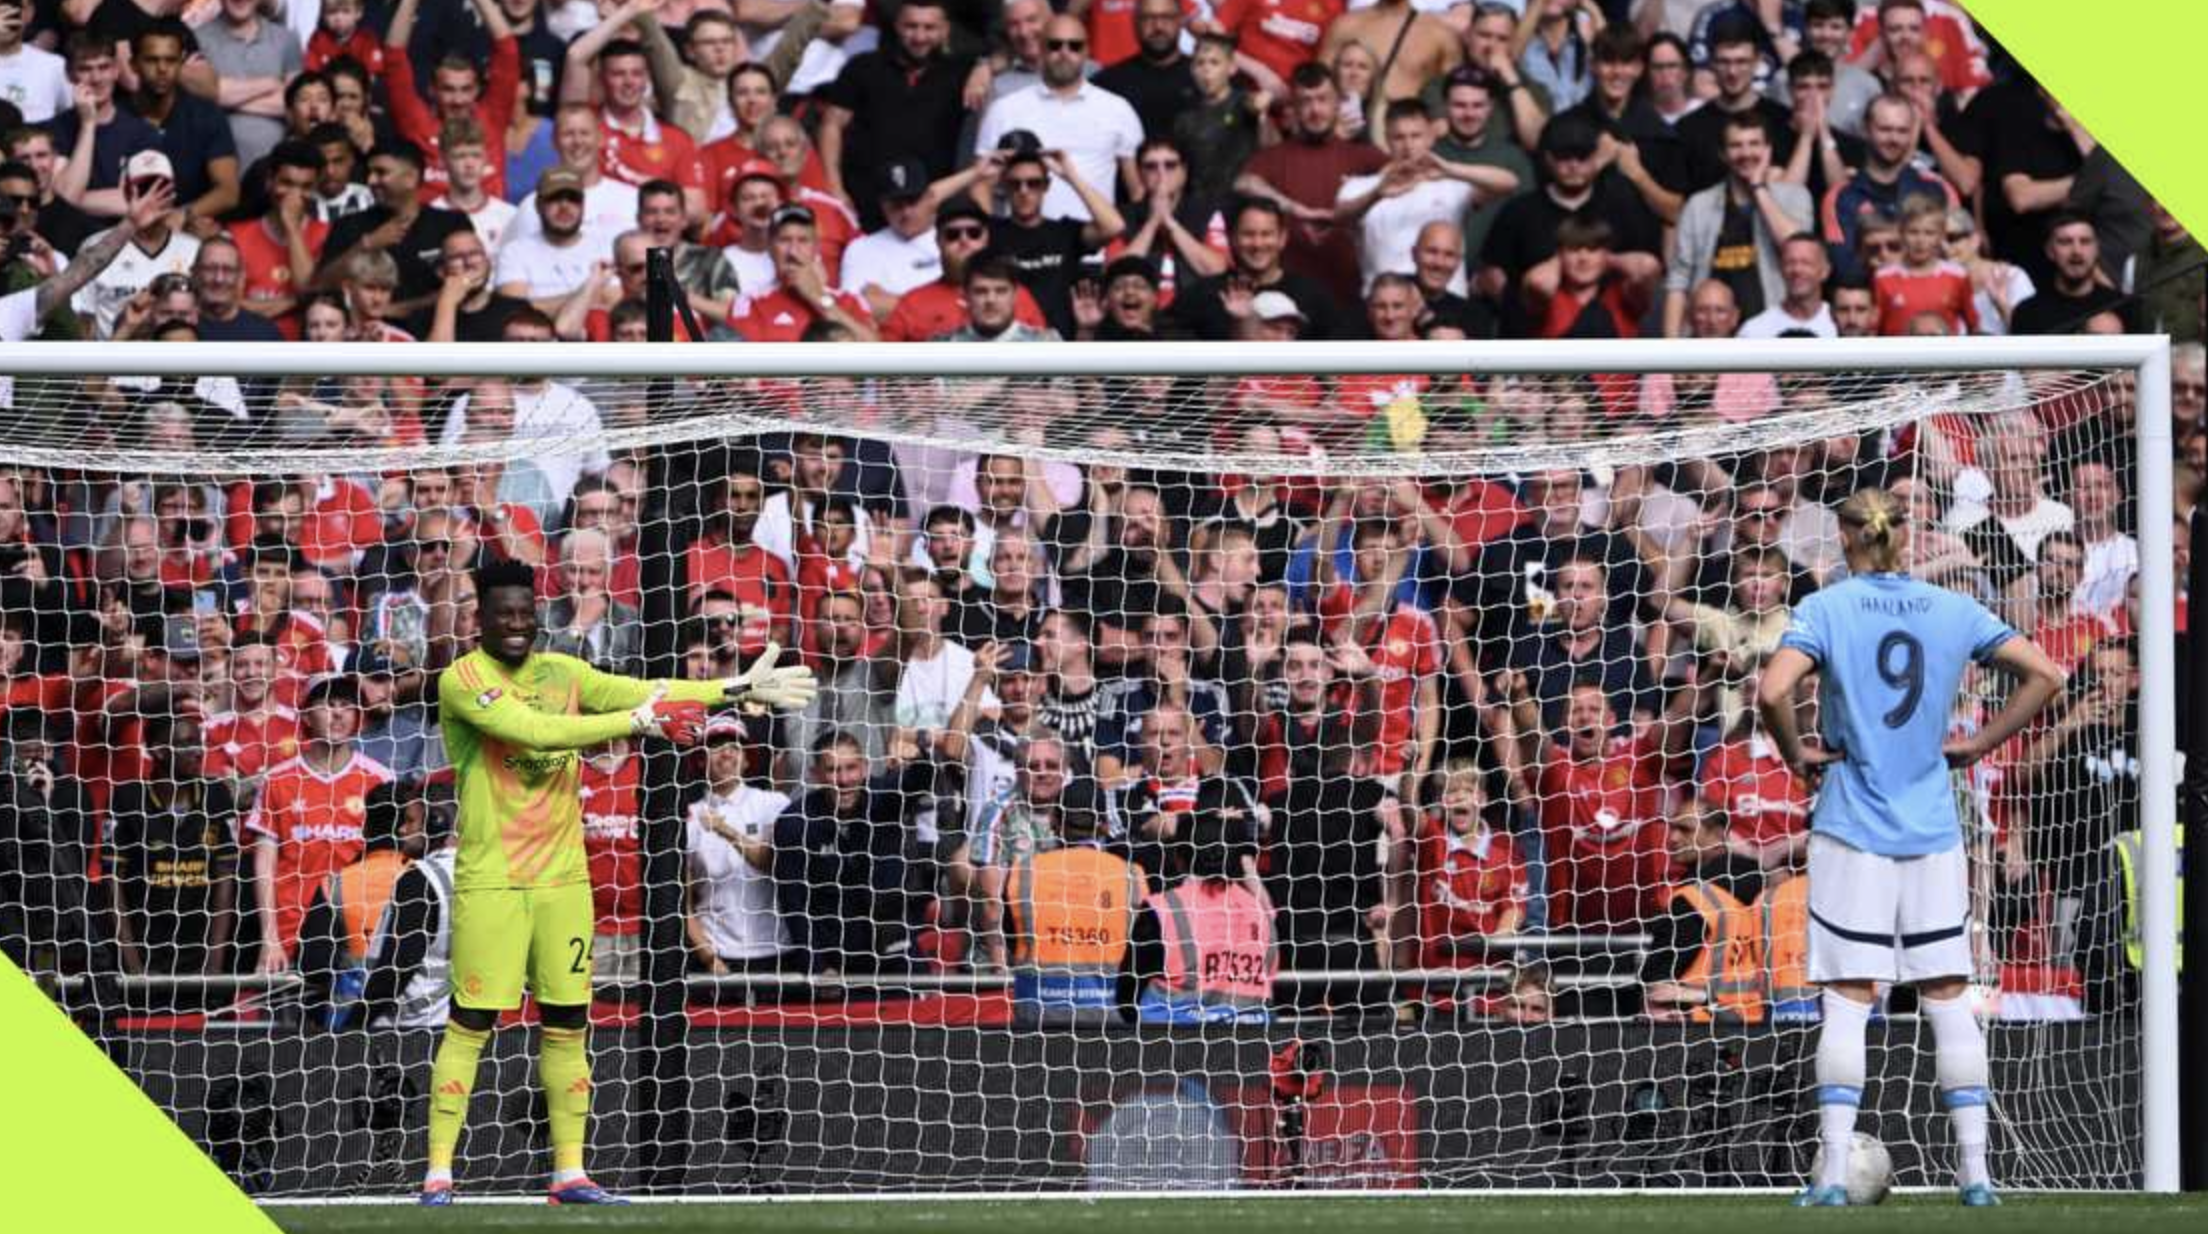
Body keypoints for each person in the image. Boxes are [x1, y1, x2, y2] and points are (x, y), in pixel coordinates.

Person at [416, 557, 816, 1206]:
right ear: (479, 618)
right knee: (472, 1022)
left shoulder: (564, 672)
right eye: (503, 614)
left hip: (564, 884)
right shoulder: (462, 681)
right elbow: (535, 731)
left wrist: (732, 690)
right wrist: (635, 724)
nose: (517, 625)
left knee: (570, 1023)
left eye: (526, 613)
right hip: (492, 882)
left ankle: (569, 1173)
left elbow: (647, 692)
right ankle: (438, 1172)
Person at [1755, 487, 2066, 1207]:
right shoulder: (1951, 608)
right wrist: (1982, 742)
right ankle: (1977, 1175)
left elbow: (1772, 690)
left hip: (1853, 827)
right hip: (1932, 829)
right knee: (1949, 997)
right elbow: (2047, 673)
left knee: (1848, 997)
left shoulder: (1826, 607)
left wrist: (1795, 750)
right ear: (1903, 535)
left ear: (1846, 538)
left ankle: (1832, 1175)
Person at [1124, 778, 1275, 1024]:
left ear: (1178, 860)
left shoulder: (1164, 909)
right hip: (1253, 1041)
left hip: (1172, 1042)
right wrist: (1244, 857)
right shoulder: (1261, 912)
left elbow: (1127, 994)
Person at [685, 715, 796, 986]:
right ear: (701, 760)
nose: (726, 753)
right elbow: (683, 901)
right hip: (719, 954)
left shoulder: (775, 804)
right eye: (716, 746)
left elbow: (774, 864)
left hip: (778, 949)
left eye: (735, 746)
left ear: (747, 759)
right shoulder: (689, 816)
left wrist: (727, 831)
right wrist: (709, 958)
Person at [1640, 797, 1765, 1023]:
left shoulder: (1692, 898)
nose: (1673, 838)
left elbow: (1657, 980)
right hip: (1762, 1016)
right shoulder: (1766, 884)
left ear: (1717, 835)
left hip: (1699, 1023)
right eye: (1673, 829)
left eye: (1685, 830)